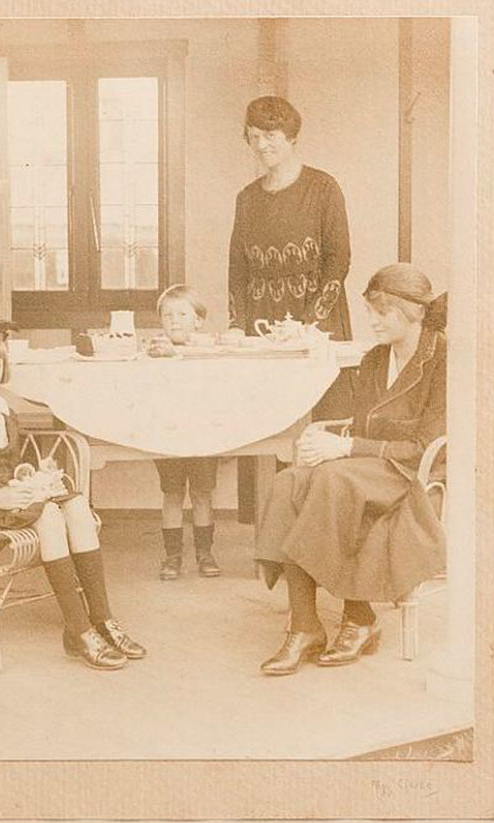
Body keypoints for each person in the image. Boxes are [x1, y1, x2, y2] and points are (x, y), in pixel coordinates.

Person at [0, 321, 146, 671]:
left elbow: (12, 463)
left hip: (7, 496)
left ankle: (102, 618)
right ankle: (78, 628)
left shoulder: (1, 407)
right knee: (49, 516)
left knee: (77, 504)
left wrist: (34, 477)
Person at [255, 264, 447, 676]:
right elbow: (360, 426)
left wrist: (343, 447)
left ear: (412, 311)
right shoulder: (377, 358)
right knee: (291, 479)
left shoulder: (442, 358)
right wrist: (324, 444)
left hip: (415, 474)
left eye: (382, 312)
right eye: (370, 312)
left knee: (330, 477)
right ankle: (305, 625)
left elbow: (423, 447)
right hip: (368, 469)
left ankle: (358, 618)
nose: (372, 322)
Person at [229, 95, 354, 418]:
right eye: (253, 136)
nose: (261, 145)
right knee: (261, 416)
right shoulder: (247, 198)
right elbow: (238, 268)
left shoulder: (323, 188)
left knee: (324, 414)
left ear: (292, 136)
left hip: (314, 318)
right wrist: (237, 324)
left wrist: (311, 321)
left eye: (270, 135)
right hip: (262, 319)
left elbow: (338, 259)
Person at [152, 284, 221, 580]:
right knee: (172, 493)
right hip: (169, 435)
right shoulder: (155, 353)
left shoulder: (208, 350)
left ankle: (205, 553)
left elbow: (212, 363)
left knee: (203, 493)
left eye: (182, 314)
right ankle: (172, 556)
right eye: (167, 315)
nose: (174, 321)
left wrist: (181, 353)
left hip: (202, 434)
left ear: (199, 320)